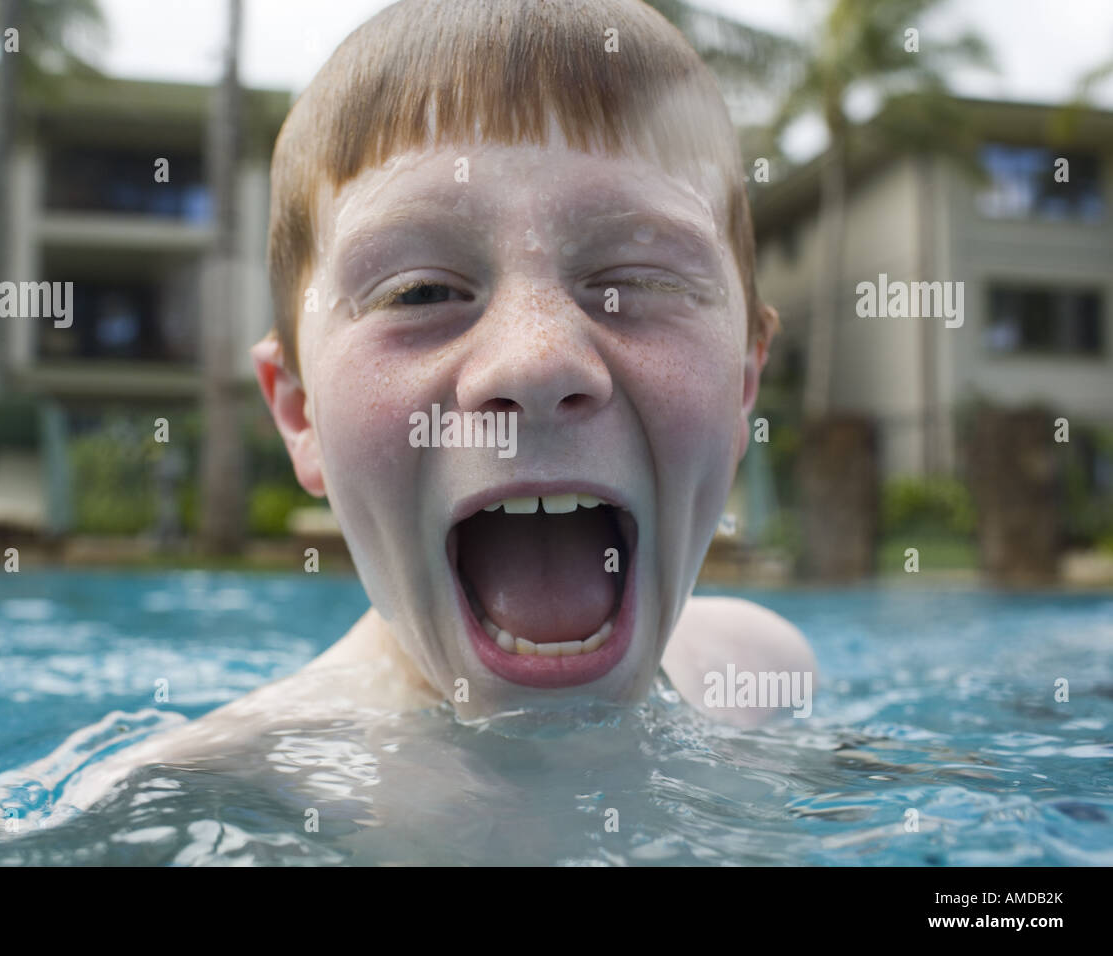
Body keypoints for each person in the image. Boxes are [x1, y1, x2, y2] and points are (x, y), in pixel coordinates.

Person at [51, 0, 817, 816]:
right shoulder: (202, 800)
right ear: (300, 413)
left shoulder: (759, 676)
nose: (536, 358)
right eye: (419, 291)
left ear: (743, 386)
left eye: (637, 283)